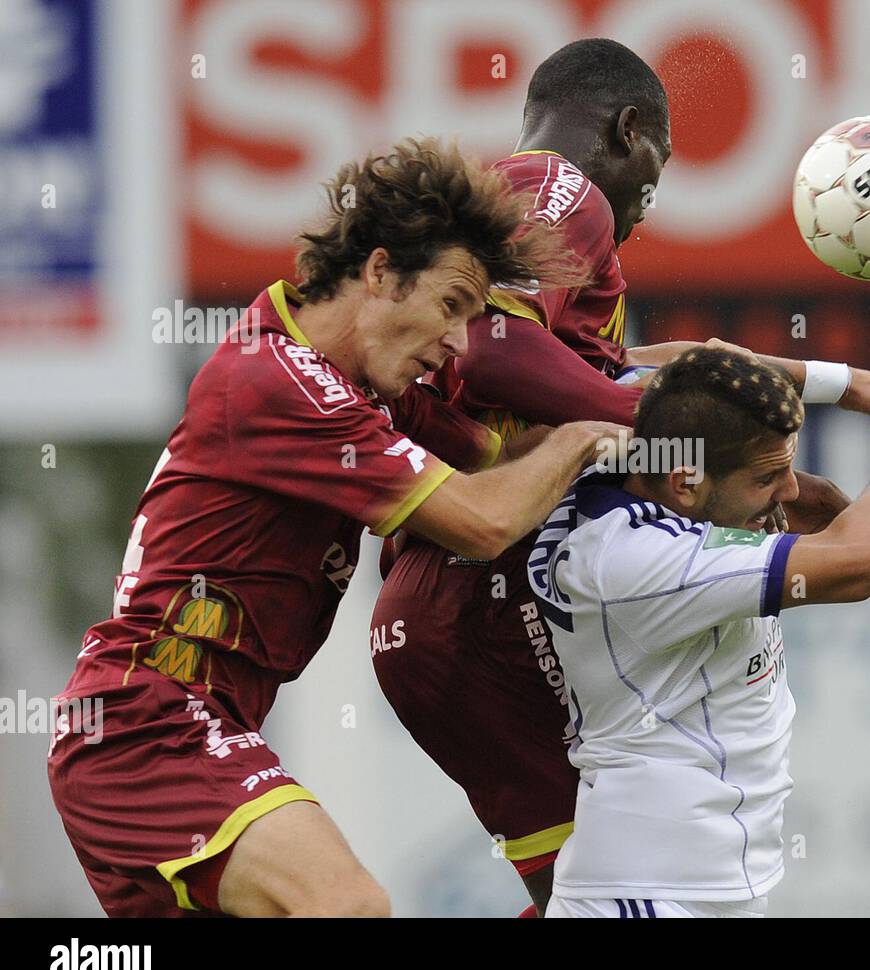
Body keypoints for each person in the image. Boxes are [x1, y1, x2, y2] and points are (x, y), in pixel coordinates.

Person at [370, 39, 870, 914]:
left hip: (441, 609)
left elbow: (638, 368)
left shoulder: (523, 212)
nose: (646, 208)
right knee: (612, 858)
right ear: (626, 131)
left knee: (575, 883)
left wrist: (846, 384)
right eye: (655, 166)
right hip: (480, 595)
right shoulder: (563, 193)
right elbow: (493, 350)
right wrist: (662, 439)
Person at [47, 137, 624, 917]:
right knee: (348, 906)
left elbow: (498, 455)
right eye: (452, 305)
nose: (460, 340)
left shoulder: (363, 387)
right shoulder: (278, 383)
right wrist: (587, 433)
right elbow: (484, 519)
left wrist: (673, 386)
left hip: (191, 728)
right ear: (380, 271)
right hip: (147, 724)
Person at [526, 347, 870, 918]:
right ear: (685, 483)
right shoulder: (636, 560)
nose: (792, 492)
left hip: (701, 886)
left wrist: (846, 383)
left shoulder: (642, 463)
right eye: (767, 477)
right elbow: (865, 559)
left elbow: (684, 363)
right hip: (647, 891)